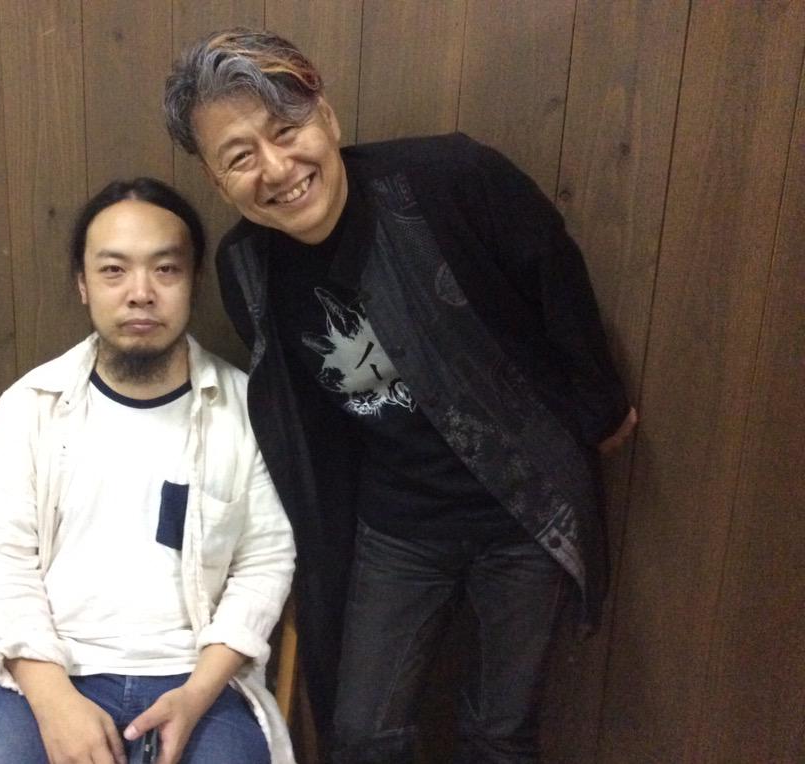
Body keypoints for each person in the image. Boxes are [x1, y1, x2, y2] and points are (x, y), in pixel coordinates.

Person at [163, 28, 638, 763]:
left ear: (327, 116)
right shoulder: (247, 267)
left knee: (500, 732)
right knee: (361, 733)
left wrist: (599, 405)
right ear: (218, 181)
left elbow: (554, 272)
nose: (277, 168)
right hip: (397, 523)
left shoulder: (448, 178)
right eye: (240, 156)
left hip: (526, 508)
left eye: (286, 131)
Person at [0, 177, 296, 764]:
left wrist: (196, 694)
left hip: (195, 675)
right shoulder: (30, 405)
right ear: (83, 285)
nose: (140, 293)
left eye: (165, 269)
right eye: (114, 271)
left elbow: (265, 561)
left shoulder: (246, 409)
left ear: (193, 282)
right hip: (51, 665)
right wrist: (54, 701)